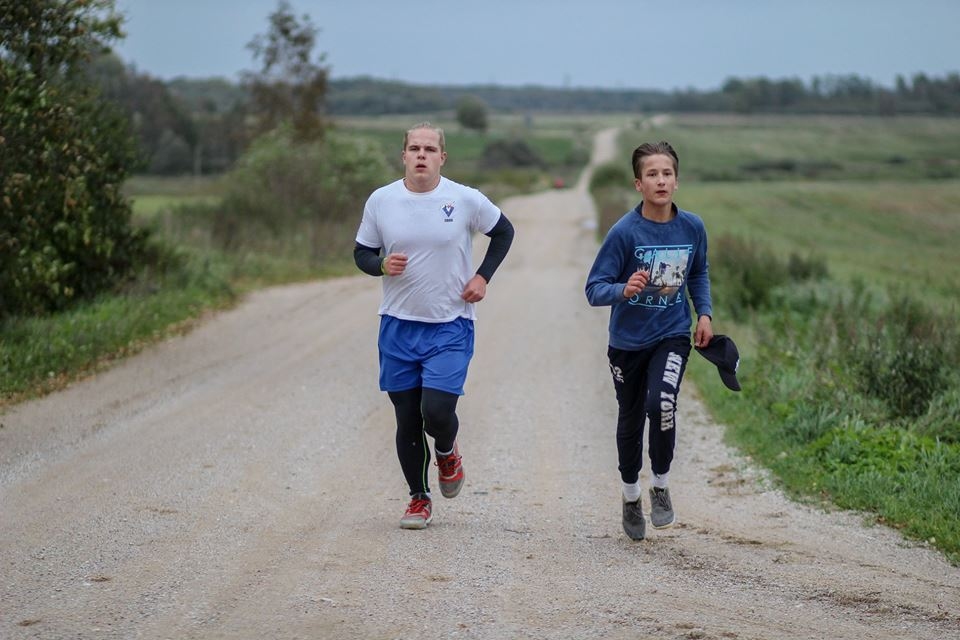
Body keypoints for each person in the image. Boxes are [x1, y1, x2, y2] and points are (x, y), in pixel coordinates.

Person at [354, 122, 515, 530]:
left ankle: (447, 450)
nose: (421, 155)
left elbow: (504, 232)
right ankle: (418, 499)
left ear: (443, 156)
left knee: (437, 411)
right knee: (407, 418)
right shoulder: (382, 200)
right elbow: (361, 252)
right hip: (397, 326)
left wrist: (483, 277)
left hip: (450, 324)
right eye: (414, 148)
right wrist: (379, 265)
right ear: (404, 155)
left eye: (430, 148)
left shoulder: (464, 199)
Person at [585, 141, 714, 541]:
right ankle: (630, 495)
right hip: (626, 341)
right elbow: (594, 289)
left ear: (677, 180)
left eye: (667, 173)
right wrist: (623, 289)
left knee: (662, 403)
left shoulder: (692, 226)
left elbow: (698, 272)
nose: (661, 180)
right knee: (629, 417)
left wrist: (704, 313)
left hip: (672, 333)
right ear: (638, 183)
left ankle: (660, 485)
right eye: (652, 175)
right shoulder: (624, 233)